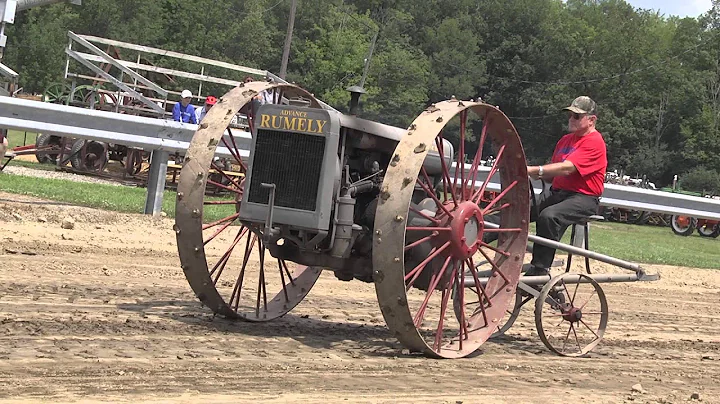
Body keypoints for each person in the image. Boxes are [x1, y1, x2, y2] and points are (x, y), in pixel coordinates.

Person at [523, 96, 608, 276]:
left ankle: (539, 270)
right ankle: (475, 238)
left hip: (583, 198)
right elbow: (552, 174)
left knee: (549, 216)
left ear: (592, 120)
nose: (571, 119)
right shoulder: (564, 141)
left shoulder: (594, 142)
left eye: (576, 116)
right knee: (517, 210)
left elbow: (567, 168)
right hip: (557, 193)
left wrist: (533, 170)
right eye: (570, 116)